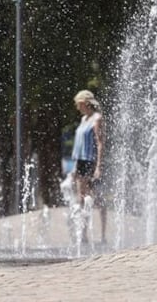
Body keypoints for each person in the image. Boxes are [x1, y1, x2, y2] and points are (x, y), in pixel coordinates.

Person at [70, 89, 107, 244]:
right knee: (81, 198)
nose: (77, 107)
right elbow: (78, 144)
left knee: (98, 199)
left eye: (79, 104)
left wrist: (99, 166)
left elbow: (100, 143)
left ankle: (103, 235)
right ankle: (83, 234)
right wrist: (74, 167)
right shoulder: (84, 119)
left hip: (91, 161)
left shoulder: (97, 119)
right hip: (80, 161)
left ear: (85, 103)